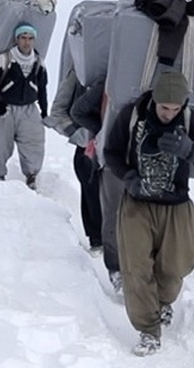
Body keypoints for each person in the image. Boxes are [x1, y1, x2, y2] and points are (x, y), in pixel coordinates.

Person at [103, 70, 194, 356]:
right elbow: (111, 153)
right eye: (164, 108)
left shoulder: (191, 121)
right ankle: (148, 330)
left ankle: (163, 302)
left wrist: (190, 150)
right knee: (136, 268)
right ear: (155, 100)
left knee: (175, 266)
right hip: (137, 204)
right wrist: (128, 177)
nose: (169, 113)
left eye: (175, 108)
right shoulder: (133, 116)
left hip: (176, 205)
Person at [69, 78, 123, 292]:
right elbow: (77, 111)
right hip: (101, 156)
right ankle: (106, 253)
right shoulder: (106, 82)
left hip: (124, 157)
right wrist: (103, 129)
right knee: (99, 201)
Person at [46, 67, 103, 252]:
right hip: (87, 149)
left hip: (115, 148)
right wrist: (78, 135)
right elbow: (58, 112)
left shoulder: (122, 68)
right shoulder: (79, 72)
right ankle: (97, 242)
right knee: (92, 194)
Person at [0, 24, 48, 190]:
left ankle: (31, 175)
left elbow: (42, 88)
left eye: (30, 38)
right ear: (17, 39)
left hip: (29, 108)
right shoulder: (4, 59)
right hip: (5, 108)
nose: (27, 42)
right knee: (0, 142)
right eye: (23, 38)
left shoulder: (38, 62)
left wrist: (44, 111)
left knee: (33, 142)